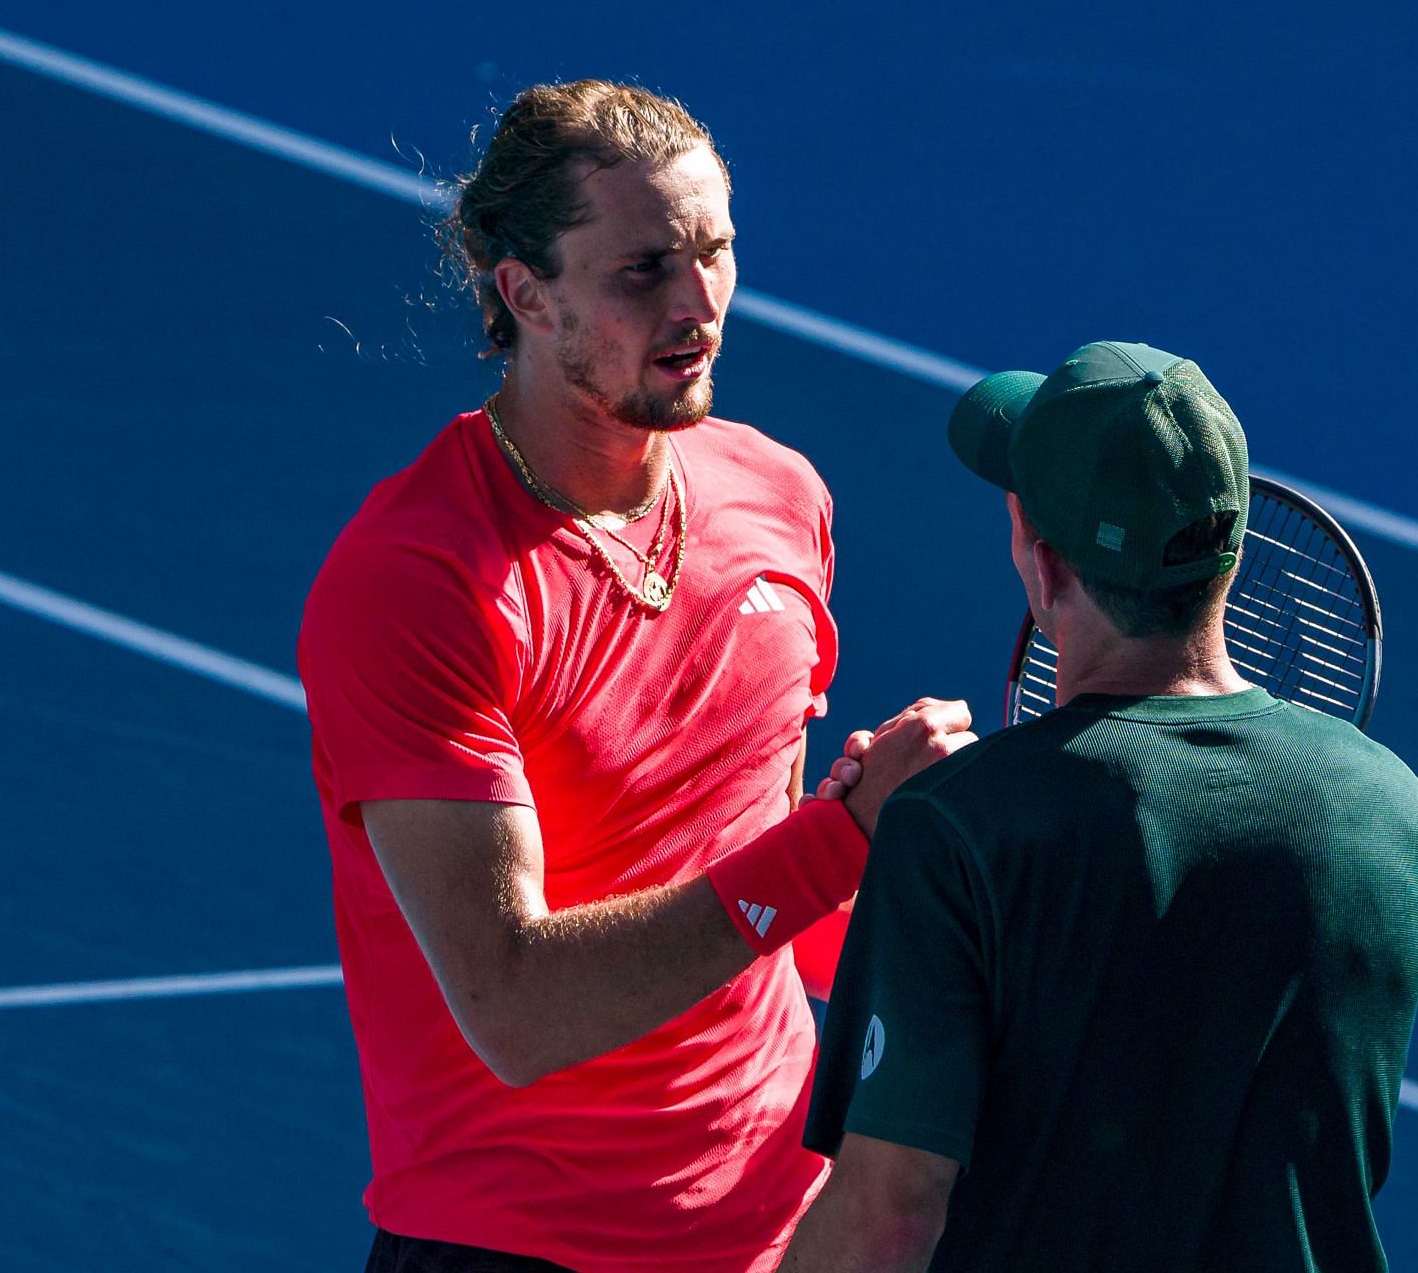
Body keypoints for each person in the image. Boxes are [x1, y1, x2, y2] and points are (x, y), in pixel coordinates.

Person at [297, 80, 972, 1273]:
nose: (699, 301)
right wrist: (837, 841)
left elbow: (772, 899)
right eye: (643, 269)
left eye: (715, 251)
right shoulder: (419, 580)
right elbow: (515, 1010)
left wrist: (958, 940)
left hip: (780, 1223)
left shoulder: (779, 498)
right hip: (518, 1247)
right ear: (525, 293)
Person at [786, 342, 1418, 1272]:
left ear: (1043, 568)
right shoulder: (1390, 812)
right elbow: (1174, 1016)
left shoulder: (958, 831)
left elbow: (888, 1219)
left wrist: (930, 870)